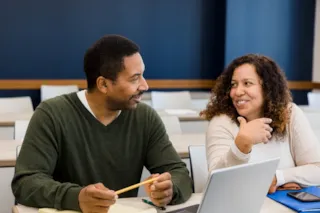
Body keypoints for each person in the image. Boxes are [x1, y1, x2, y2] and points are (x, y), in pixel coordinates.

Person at [12, 35, 192, 212]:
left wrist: (169, 190)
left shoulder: (145, 117)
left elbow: (179, 173)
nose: (145, 86)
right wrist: (76, 198)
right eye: (134, 78)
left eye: (142, 75)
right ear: (103, 84)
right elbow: (26, 182)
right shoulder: (52, 114)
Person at [201, 54, 320, 193]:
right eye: (233, 85)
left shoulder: (290, 113)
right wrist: (242, 144)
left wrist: (277, 178)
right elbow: (216, 184)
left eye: (247, 83)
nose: (237, 92)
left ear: (267, 88)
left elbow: (317, 169)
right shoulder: (221, 122)